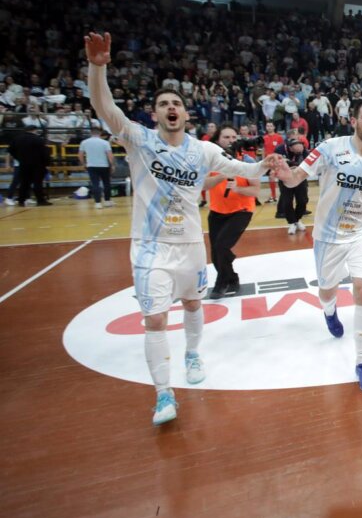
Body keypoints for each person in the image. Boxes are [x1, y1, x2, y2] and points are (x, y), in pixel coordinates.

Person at [84, 32, 280, 426]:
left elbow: (240, 169)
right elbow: (104, 107)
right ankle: (163, 394)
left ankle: (192, 354)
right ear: (154, 113)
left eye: (176, 104)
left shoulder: (202, 150)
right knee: (155, 319)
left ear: (186, 114)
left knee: (192, 305)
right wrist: (97, 67)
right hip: (150, 247)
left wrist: (264, 165)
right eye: (163, 104)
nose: (171, 108)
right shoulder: (138, 140)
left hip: (190, 245)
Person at [273, 99, 362, 394]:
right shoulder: (329, 148)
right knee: (327, 290)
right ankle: (329, 310)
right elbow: (296, 177)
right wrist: (286, 176)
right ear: (353, 121)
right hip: (328, 235)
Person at [203, 124, 260, 298]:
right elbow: (203, 185)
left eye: (234, 137)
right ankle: (232, 278)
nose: (231, 140)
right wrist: (221, 174)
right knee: (216, 254)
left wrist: (237, 188)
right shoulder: (209, 161)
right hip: (217, 210)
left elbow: (255, 191)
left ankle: (221, 283)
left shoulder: (247, 161)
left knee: (221, 246)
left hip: (241, 210)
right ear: (217, 140)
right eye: (226, 137)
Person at [9, 127, 51, 207]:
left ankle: (21, 201)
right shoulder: (38, 139)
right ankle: (40, 200)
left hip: (23, 164)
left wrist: (19, 158)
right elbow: (45, 153)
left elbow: (11, 151)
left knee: (24, 183)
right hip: (38, 164)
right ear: (34, 130)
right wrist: (47, 164)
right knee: (38, 183)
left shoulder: (17, 139)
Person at [278, 135, 310, 234]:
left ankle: (297, 219)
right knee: (287, 201)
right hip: (285, 179)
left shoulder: (305, 152)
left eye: (301, 149)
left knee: (303, 200)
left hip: (300, 178)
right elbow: (276, 164)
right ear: (290, 148)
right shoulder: (280, 150)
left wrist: (295, 166)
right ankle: (292, 222)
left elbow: (309, 165)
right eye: (297, 151)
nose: (299, 152)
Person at [78, 126, 115, 209]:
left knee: (95, 184)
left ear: (91, 132)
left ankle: (98, 203)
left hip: (91, 165)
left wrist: (83, 164)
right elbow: (110, 155)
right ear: (100, 133)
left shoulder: (84, 142)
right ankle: (107, 201)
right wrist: (112, 165)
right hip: (104, 165)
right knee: (106, 183)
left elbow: (80, 155)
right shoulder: (105, 143)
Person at [262, 121, 283, 203]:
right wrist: (263, 160)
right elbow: (263, 149)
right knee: (271, 177)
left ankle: (275, 196)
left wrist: (279, 160)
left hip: (276, 161)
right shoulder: (264, 138)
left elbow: (282, 149)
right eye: (267, 126)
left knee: (272, 176)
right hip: (268, 161)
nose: (269, 127)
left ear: (274, 127)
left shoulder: (279, 137)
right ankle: (273, 196)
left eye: (271, 126)